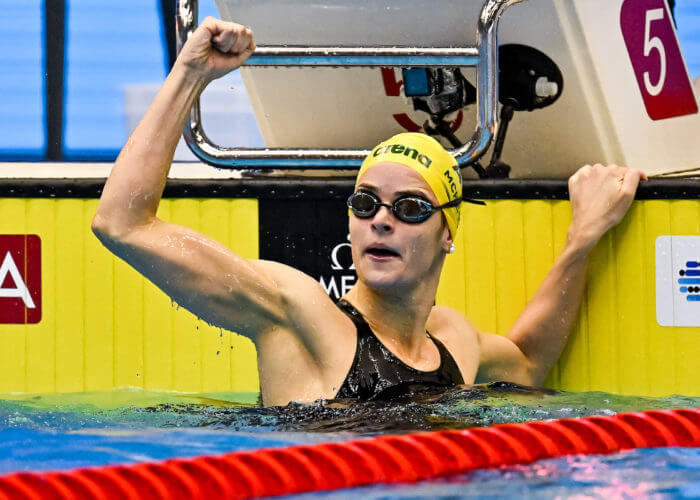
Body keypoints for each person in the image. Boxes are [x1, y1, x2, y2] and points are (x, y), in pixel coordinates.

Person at [92, 19, 647, 406]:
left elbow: (527, 361)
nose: (381, 220)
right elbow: (122, 225)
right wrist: (190, 75)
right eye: (365, 204)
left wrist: (585, 235)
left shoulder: (455, 342)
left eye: (409, 208)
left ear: (447, 231)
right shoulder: (300, 316)